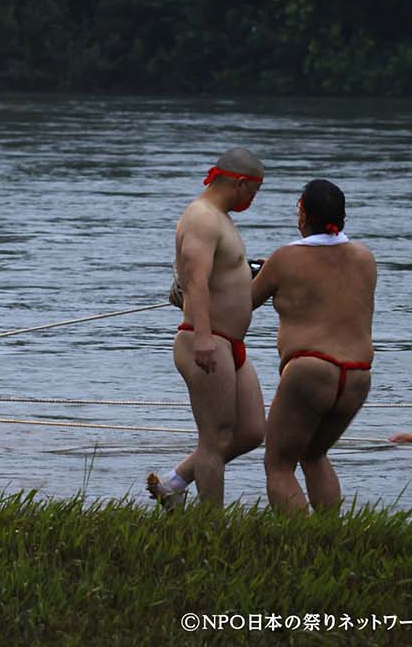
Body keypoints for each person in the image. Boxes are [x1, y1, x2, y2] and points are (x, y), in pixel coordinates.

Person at [148, 148, 267, 508]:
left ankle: (173, 483)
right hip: (206, 339)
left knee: (250, 432)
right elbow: (197, 281)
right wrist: (202, 336)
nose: (252, 200)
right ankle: (212, 527)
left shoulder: (219, 218)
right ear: (241, 184)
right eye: (254, 192)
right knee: (213, 440)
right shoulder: (202, 218)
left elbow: (210, 278)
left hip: (230, 342)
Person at [252, 178, 376, 513]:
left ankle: (298, 544)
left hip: (310, 370)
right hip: (357, 376)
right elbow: (324, 283)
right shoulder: (365, 258)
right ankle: (328, 539)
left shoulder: (284, 259)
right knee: (314, 455)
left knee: (278, 464)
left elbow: (242, 303)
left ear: (303, 214)